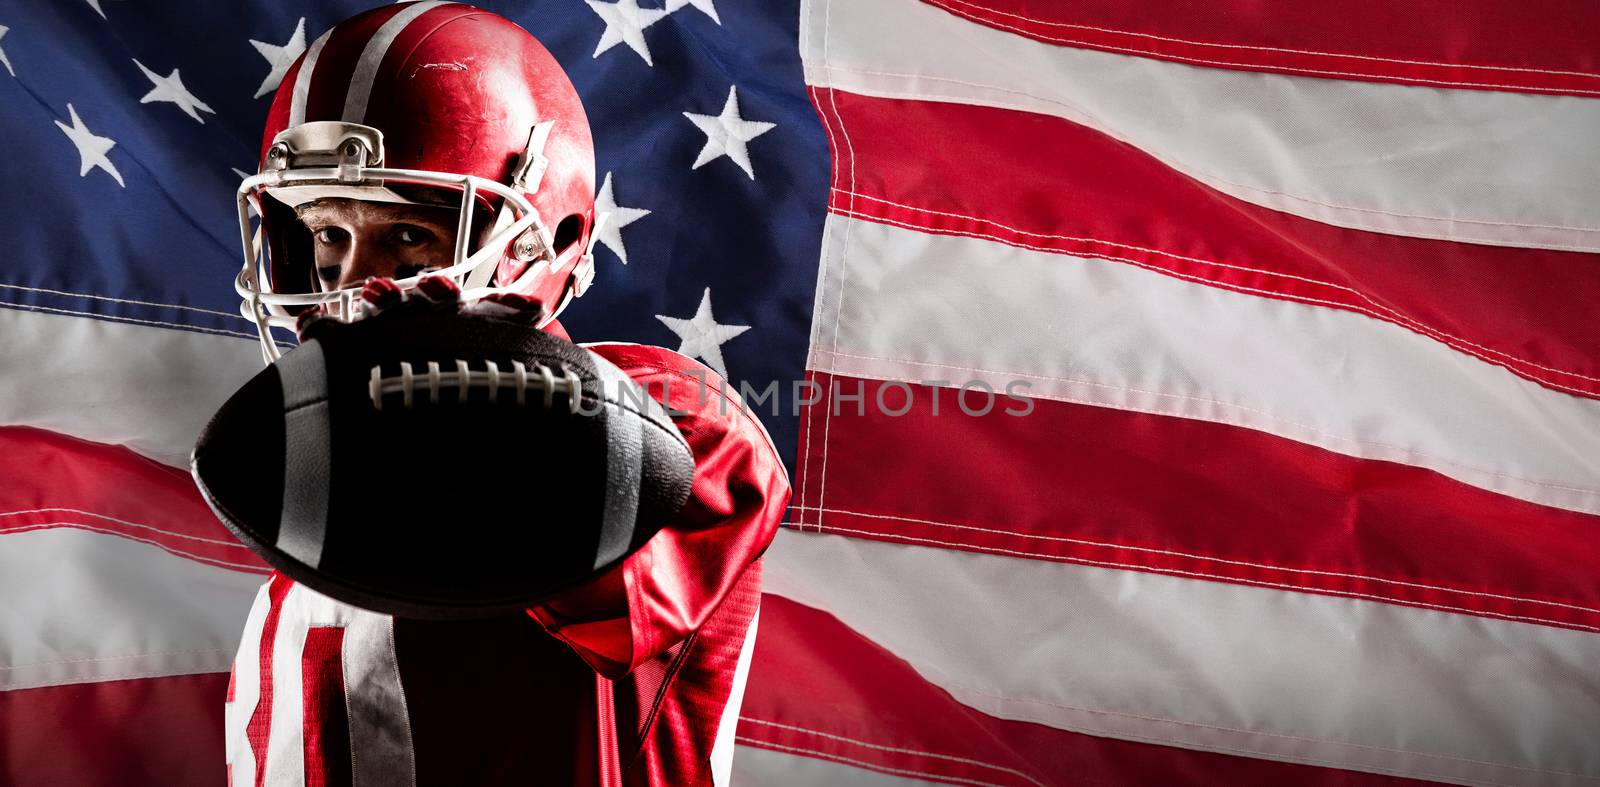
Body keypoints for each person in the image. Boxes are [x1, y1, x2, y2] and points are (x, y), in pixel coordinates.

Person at [221, 4, 789, 785]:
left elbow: (598, 592)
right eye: (328, 235)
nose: (355, 286)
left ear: (544, 241)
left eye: (410, 235)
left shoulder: (676, 414)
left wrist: (479, 381)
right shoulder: (338, 465)